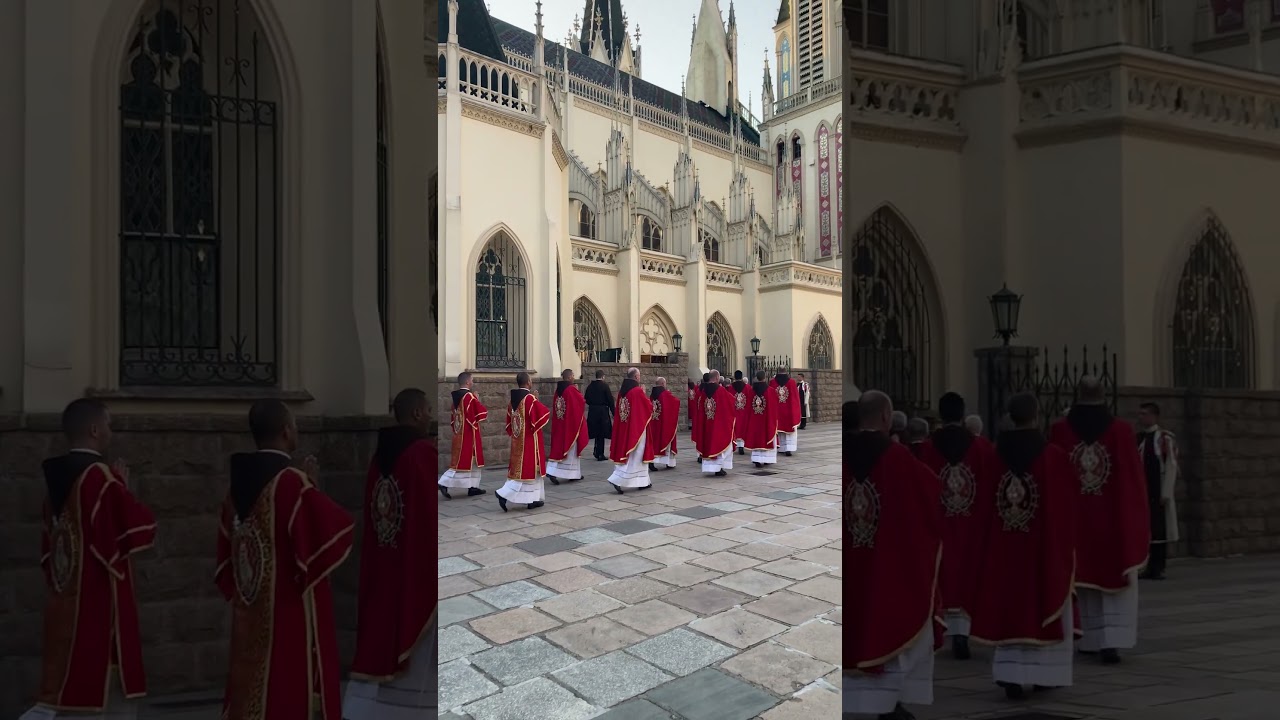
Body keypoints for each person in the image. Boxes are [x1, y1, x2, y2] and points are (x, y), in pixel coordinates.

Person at [217, 399, 354, 720]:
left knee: (250, 683)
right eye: (294, 425)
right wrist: (312, 488)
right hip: (289, 610)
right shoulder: (291, 483)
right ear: (285, 431)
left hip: (249, 608)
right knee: (286, 687)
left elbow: (226, 557)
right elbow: (335, 529)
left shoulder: (235, 490)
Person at [26, 399, 156, 719]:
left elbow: (50, 549)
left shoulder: (54, 484)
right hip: (98, 603)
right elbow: (139, 525)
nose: (111, 432)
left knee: (64, 685)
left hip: (63, 604)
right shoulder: (99, 477)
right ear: (95, 430)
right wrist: (122, 488)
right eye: (109, 425)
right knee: (102, 693)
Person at [970, 393, 1078, 700]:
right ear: (1037, 416)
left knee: (1008, 605)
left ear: (1010, 417)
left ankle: (1010, 676)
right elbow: (1066, 511)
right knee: (1041, 599)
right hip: (1041, 551)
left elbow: (982, 510)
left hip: (1004, 550)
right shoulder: (1053, 457)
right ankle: (1044, 676)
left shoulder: (993, 457)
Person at [846, 390, 943, 720]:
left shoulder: (841, 456)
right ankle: (887, 703)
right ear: (887, 417)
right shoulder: (899, 459)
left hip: (849, 565)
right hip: (886, 565)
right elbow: (932, 499)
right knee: (888, 621)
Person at [344, 389, 439, 719]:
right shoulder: (422, 454)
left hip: (385, 561)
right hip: (415, 566)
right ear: (416, 414)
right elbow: (431, 516)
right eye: (428, 409)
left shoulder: (379, 458)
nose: (430, 416)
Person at [1049, 377, 1149, 665]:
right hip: (1111, 521)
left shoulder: (1060, 430)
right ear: (1104, 395)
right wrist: (1134, 520)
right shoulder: (1121, 431)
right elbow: (1132, 481)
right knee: (1113, 580)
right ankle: (1111, 641)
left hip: (1075, 521)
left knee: (1084, 581)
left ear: (1078, 394)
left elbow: (1054, 479)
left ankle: (1090, 639)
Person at [915, 393, 997, 661]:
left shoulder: (927, 449)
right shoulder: (981, 448)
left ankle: (946, 629)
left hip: (940, 526)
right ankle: (964, 633)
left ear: (941, 415)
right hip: (972, 526)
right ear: (963, 414)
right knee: (968, 575)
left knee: (943, 574)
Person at [1136, 402, 1179, 580]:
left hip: (1158, 489)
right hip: (1143, 489)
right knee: (1145, 527)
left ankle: (1158, 566)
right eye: (1140, 414)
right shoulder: (1139, 438)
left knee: (1159, 528)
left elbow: (1171, 464)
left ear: (1154, 416)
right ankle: (1145, 565)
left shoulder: (1164, 438)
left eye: (1144, 414)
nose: (1141, 417)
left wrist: (1166, 492)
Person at [498, 372, 550, 511]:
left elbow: (509, 423)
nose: (531, 382)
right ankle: (503, 494)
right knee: (527, 471)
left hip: (517, 440)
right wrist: (537, 400)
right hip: (529, 441)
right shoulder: (529, 399)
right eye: (531, 380)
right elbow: (543, 413)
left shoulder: (512, 401)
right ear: (528, 382)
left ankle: (532, 499)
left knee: (524, 472)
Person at [439, 372, 488, 499]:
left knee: (472, 462)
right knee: (461, 462)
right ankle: (443, 482)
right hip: (469, 435)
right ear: (467, 382)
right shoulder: (469, 397)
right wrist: (477, 399)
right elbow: (480, 412)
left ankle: (473, 487)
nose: (472, 382)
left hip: (459, 434)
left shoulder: (455, 398)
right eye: (472, 380)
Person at [608, 368, 655, 493]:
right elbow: (649, 407)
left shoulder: (622, 392)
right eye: (639, 376)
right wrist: (644, 393)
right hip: (637, 429)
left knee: (633, 455)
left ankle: (643, 481)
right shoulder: (637, 391)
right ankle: (617, 479)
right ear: (636, 377)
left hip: (625, 427)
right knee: (636, 455)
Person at [547, 369, 589, 485]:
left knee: (558, 449)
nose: (574, 377)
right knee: (570, 450)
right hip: (570, 426)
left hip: (560, 424)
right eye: (573, 375)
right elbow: (581, 402)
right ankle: (554, 472)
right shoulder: (571, 389)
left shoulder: (558, 390)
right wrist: (577, 391)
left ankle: (572, 474)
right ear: (570, 377)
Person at [696, 370, 738, 477]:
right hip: (718, 424)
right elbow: (731, 402)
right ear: (717, 378)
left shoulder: (703, 391)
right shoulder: (720, 390)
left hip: (707, 423)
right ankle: (718, 468)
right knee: (720, 443)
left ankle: (710, 467)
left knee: (708, 443)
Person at [745, 370, 780, 468]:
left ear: (757, 377)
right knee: (766, 437)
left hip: (755, 419)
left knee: (756, 438)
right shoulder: (771, 391)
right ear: (765, 377)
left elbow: (748, 407)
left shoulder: (751, 391)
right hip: (766, 420)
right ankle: (767, 459)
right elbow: (774, 408)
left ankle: (757, 459)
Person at [648, 377, 680, 471]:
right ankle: (669, 463)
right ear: (662, 384)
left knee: (654, 442)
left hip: (654, 422)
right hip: (664, 422)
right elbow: (676, 402)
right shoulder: (665, 394)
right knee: (666, 439)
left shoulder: (652, 395)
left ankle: (652, 461)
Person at [585, 370, 614, 461]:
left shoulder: (590, 386)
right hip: (602, 411)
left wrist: (592, 404)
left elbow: (586, 398)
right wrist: (614, 412)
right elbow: (610, 400)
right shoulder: (605, 386)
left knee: (596, 432)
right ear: (603, 376)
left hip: (593, 411)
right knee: (601, 433)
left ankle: (596, 451)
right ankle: (600, 453)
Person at [770, 368, 801, 456]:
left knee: (780, 430)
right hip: (789, 411)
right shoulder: (791, 382)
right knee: (789, 430)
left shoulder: (773, 382)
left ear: (778, 371)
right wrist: (795, 410)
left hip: (777, 411)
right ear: (786, 371)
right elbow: (795, 398)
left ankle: (782, 447)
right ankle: (789, 448)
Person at [731, 370, 751, 456]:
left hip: (734, 411)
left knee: (736, 427)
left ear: (734, 377)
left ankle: (737, 444)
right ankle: (741, 446)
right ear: (742, 377)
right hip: (744, 412)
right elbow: (750, 399)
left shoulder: (731, 388)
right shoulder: (747, 387)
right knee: (743, 428)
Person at [693, 372, 711, 461]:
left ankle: (699, 454)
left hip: (699, 416)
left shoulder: (698, 391)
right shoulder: (710, 390)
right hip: (708, 416)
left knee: (700, 435)